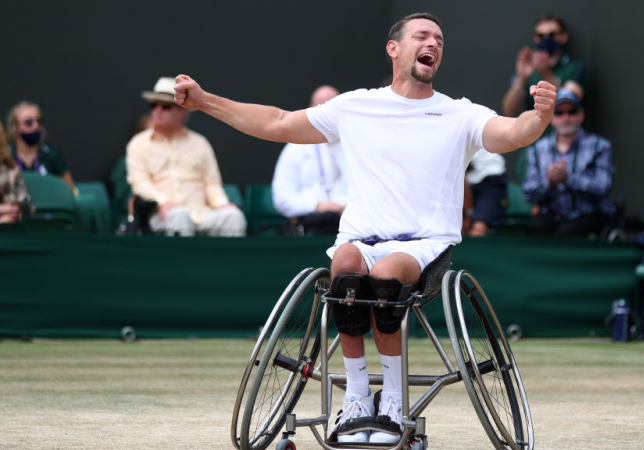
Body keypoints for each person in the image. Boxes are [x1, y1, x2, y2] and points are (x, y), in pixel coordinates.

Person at [173, 12, 556, 444]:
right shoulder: (354, 106)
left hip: (423, 249)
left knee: (385, 276)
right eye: (422, 36)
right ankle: (356, 396)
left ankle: (393, 400)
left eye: (440, 40)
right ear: (394, 48)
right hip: (360, 238)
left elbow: (512, 133)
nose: (433, 43)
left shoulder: (459, 113)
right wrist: (204, 102)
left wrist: (538, 118)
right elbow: (276, 122)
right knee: (347, 265)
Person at [126, 77, 247, 237]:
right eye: (153, 105)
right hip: (162, 215)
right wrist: (163, 202)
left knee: (233, 217)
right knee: (178, 216)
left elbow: (212, 184)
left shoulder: (200, 143)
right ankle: (185, 263)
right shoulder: (138, 144)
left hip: (202, 214)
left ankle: (230, 263)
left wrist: (222, 204)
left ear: (182, 111)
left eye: (166, 106)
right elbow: (140, 183)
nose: (158, 110)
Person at [522, 88, 615, 237]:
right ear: (551, 118)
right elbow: (528, 193)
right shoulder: (538, 149)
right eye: (559, 112)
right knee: (535, 227)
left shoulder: (600, 146)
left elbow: (604, 186)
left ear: (581, 115)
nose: (566, 117)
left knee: (567, 232)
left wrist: (569, 179)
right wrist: (548, 182)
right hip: (552, 214)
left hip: (588, 214)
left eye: (571, 112)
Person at [272, 85, 348, 235]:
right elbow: (282, 198)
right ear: (311, 110)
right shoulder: (295, 147)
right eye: (322, 107)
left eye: (333, 106)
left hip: (354, 220)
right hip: (314, 223)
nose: (328, 113)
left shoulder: (357, 143)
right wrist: (318, 206)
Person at [501, 13, 586, 118]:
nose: (546, 40)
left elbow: (570, 102)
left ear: (563, 37)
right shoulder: (529, 67)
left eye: (551, 35)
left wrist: (546, 73)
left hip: (561, 132)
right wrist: (522, 79)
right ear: (536, 38)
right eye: (541, 36)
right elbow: (509, 110)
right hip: (534, 133)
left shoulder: (574, 68)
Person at [5, 101, 76, 192]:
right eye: (28, 122)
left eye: (39, 121)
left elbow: (70, 190)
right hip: (16, 205)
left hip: (48, 204)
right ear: (16, 128)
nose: (35, 126)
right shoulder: (5, 155)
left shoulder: (52, 154)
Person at [463, 148, 508, 236]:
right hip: (465, 183)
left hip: (490, 180)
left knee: (479, 228)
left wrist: (468, 213)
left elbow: (462, 179)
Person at [0, 121, 31, 225]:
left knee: (9, 218)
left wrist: (8, 209)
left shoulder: (10, 168)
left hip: (6, 226)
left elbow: (19, 204)